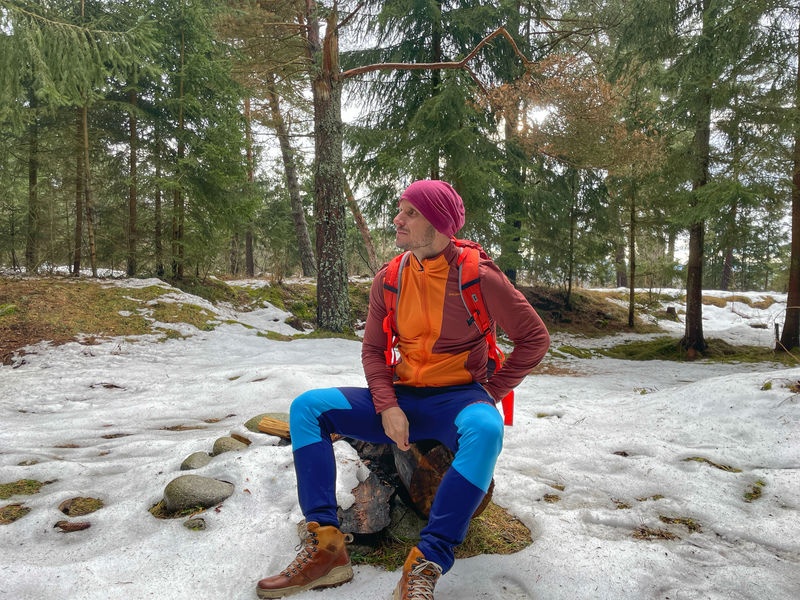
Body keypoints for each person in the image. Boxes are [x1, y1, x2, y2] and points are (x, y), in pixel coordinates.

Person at [256, 179, 550, 599]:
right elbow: (373, 351)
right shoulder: (390, 278)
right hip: (403, 395)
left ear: (440, 223)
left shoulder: (478, 276)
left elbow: (535, 338)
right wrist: (387, 405)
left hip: (459, 399)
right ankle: (327, 551)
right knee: (308, 407)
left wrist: (491, 392)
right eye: (400, 209)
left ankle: (425, 563)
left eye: (411, 212)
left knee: (487, 429)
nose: (398, 219)